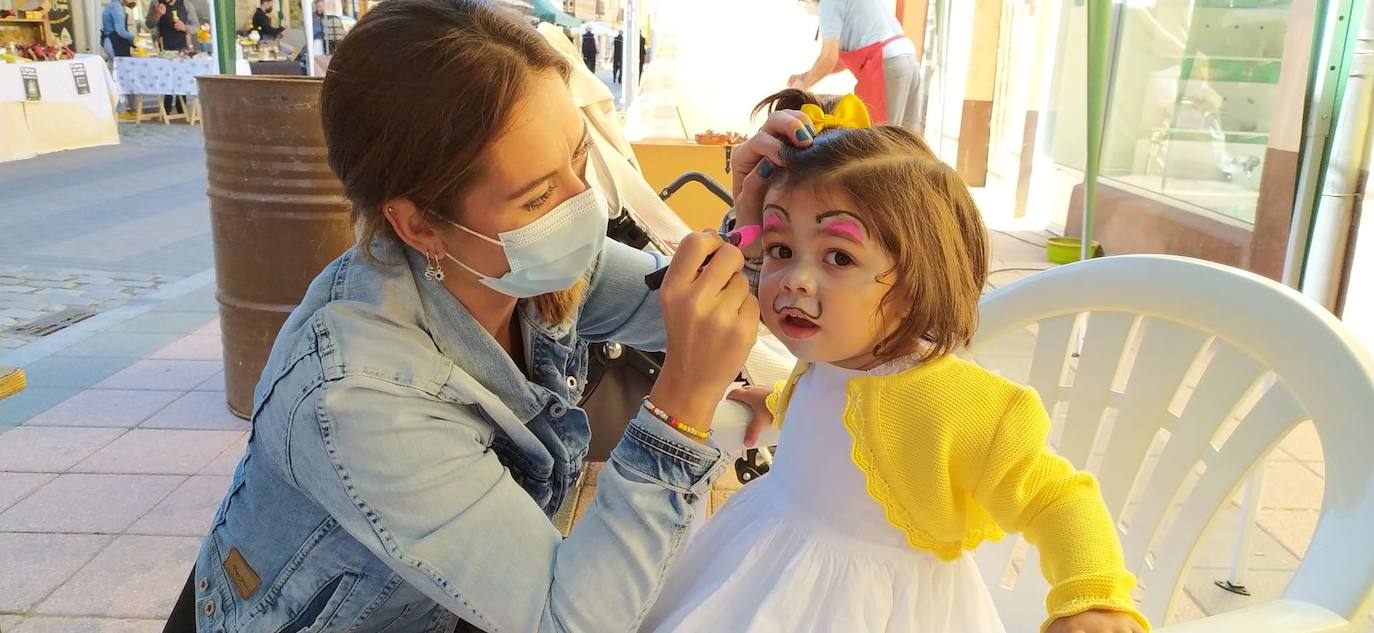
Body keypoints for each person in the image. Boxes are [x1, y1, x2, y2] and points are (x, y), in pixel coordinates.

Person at [170, 1, 815, 632]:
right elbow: (569, 618)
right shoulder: (358, 395)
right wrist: (683, 407)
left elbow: (684, 306)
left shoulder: (521, 265)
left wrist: (757, 226)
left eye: (579, 160)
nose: (583, 203)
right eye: (537, 196)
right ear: (419, 223)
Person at [642, 90, 1150, 633]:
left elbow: (1057, 495)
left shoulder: (960, 404)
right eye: (781, 249)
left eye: (839, 256)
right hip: (768, 556)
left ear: (916, 282)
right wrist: (776, 405)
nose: (793, 278)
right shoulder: (831, 349)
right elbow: (839, 421)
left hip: (883, 607)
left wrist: (1093, 598)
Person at [789, 0, 920, 129]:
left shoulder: (828, 4)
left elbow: (829, 57)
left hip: (885, 64)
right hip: (909, 60)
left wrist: (802, 86)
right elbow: (838, 61)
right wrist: (806, 76)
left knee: (877, 138)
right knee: (908, 138)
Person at [145, 0, 197, 113]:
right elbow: (149, 24)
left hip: (182, 49)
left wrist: (185, 28)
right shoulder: (156, 3)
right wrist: (157, 15)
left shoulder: (186, 4)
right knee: (166, 78)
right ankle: (166, 109)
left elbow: (196, 26)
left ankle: (181, 109)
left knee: (181, 79)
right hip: (164, 49)